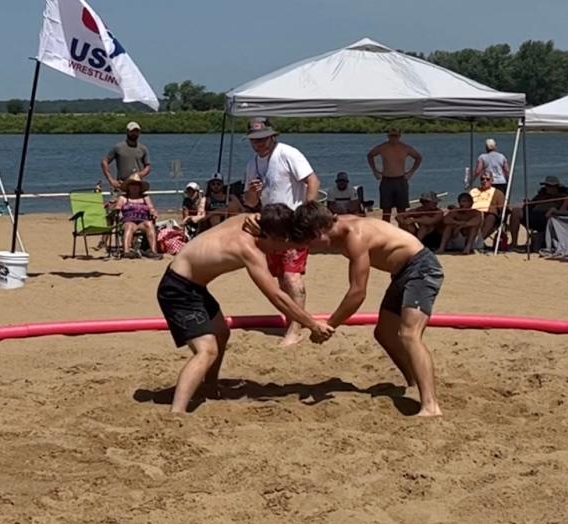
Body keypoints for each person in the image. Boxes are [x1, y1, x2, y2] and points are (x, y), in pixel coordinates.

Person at [156, 204, 335, 413]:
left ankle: (209, 387)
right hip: (178, 290)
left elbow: (259, 215)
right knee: (207, 350)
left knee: (221, 332)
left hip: (194, 286)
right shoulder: (248, 248)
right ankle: (176, 413)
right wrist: (312, 324)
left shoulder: (250, 220)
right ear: (270, 236)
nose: (279, 251)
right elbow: (277, 297)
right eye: (280, 246)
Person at [294, 202, 444, 417]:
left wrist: (329, 325)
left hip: (421, 268)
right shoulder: (338, 228)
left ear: (319, 232)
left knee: (409, 334)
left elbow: (357, 293)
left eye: (309, 242)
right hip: (402, 274)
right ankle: (414, 380)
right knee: (384, 333)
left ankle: (431, 406)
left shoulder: (355, 236)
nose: (309, 248)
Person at [243, 117, 320, 346]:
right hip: (269, 226)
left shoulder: (288, 153)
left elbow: (312, 181)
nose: (258, 144)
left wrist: (307, 212)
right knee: (280, 278)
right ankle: (292, 320)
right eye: (254, 140)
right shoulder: (252, 164)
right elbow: (249, 201)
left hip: (292, 223)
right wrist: (254, 192)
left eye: (262, 139)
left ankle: (295, 329)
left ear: (272, 136)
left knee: (291, 276)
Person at [367, 129, 422, 222]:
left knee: (401, 211)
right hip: (386, 180)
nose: (393, 138)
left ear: (399, 136)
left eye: (395, 136)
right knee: (386, 210)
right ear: (388, 136)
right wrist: (375, 171)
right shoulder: (382, 147)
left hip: (401, 180)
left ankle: (402, 231)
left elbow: (418, 157)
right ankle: (386, 233)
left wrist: (411, 172)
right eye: (391, 136)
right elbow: (370, 155)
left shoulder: (405, 148)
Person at [507, 176, 568, 250]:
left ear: (556, 187)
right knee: (516, 211)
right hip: (535, 216)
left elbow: (564, 209)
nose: (547, 188)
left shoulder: (563, 196)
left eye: (550, 186)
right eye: (546, 185)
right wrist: (528, 203)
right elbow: (532, 204)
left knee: (551, 217)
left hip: (548, 218)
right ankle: (514, 243)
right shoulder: (542, 194)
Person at [114, 173, 161, 259]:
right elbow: (117, 208)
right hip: (128, 221)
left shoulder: (145, 197)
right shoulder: (123, 198)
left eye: (137, 185)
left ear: (140, 187)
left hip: (142, 221)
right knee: (129, 225)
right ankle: (126, 251)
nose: (135, 186)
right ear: (128, 186)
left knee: (149, 224)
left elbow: (151, 208)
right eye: (132, 184)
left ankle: (153, 251)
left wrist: (153, 212)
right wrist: (118, 210)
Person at [101, 121, 152, 193]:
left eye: (136, 132)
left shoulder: (143, 149)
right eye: (132, 131)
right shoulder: (118, 147)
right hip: (121, 185)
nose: (134, 134)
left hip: (137, 186)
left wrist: (139, 174)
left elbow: (148, 166)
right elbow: (104, 161)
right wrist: (111, 180)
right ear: (127, 132)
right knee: (116, 203)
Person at [468, 173, 505, 243]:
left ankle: (478, 241)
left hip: (487, 214)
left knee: (491, 217)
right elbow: (466, 203)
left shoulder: (497, 193)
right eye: (482, 179)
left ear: (492, 181)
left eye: (487, 179)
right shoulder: (473, 191)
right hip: (472, 214)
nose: (484, 181)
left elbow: (502, 208)